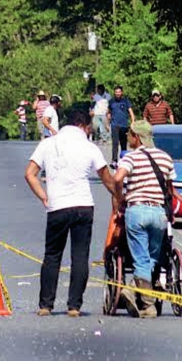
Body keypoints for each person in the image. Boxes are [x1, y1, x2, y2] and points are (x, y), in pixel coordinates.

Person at [24, 106, 117, 317]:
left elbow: (30, 174)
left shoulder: (48, 144)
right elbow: (107, 178)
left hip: (57, 206)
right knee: (80, 256)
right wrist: (120, 198)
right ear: (83, 126)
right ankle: (74, 306)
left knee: (52, 255)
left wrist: (44, 196)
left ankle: (46, 305)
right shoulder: (89, 147)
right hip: (83, 206)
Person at [114, 120, 176, 318]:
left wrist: (119, 199)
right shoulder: (165, 158)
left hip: (137, 211)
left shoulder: (130, 158)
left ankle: (143, 302)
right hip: (158, 212)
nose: (127, 137)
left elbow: (117, 178)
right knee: (152, 257)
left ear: (137, 137)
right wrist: (171, 213)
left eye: (130, 134)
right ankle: (136, 290)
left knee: (140, 258)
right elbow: (170, 190)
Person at [108, 85, 134, 164]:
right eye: (116, 92)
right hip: (114, 125)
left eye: (119, 92)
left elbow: (131, 112)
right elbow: (108, 112)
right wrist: (107, 121)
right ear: (114, 93)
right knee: (115, 143)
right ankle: (114, 160)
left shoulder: (125, 101)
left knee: (123, 143)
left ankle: (124, 159)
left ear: (122, 92)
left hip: (124, 125)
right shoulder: (111, 101)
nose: (117, 93)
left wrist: (132, 122)